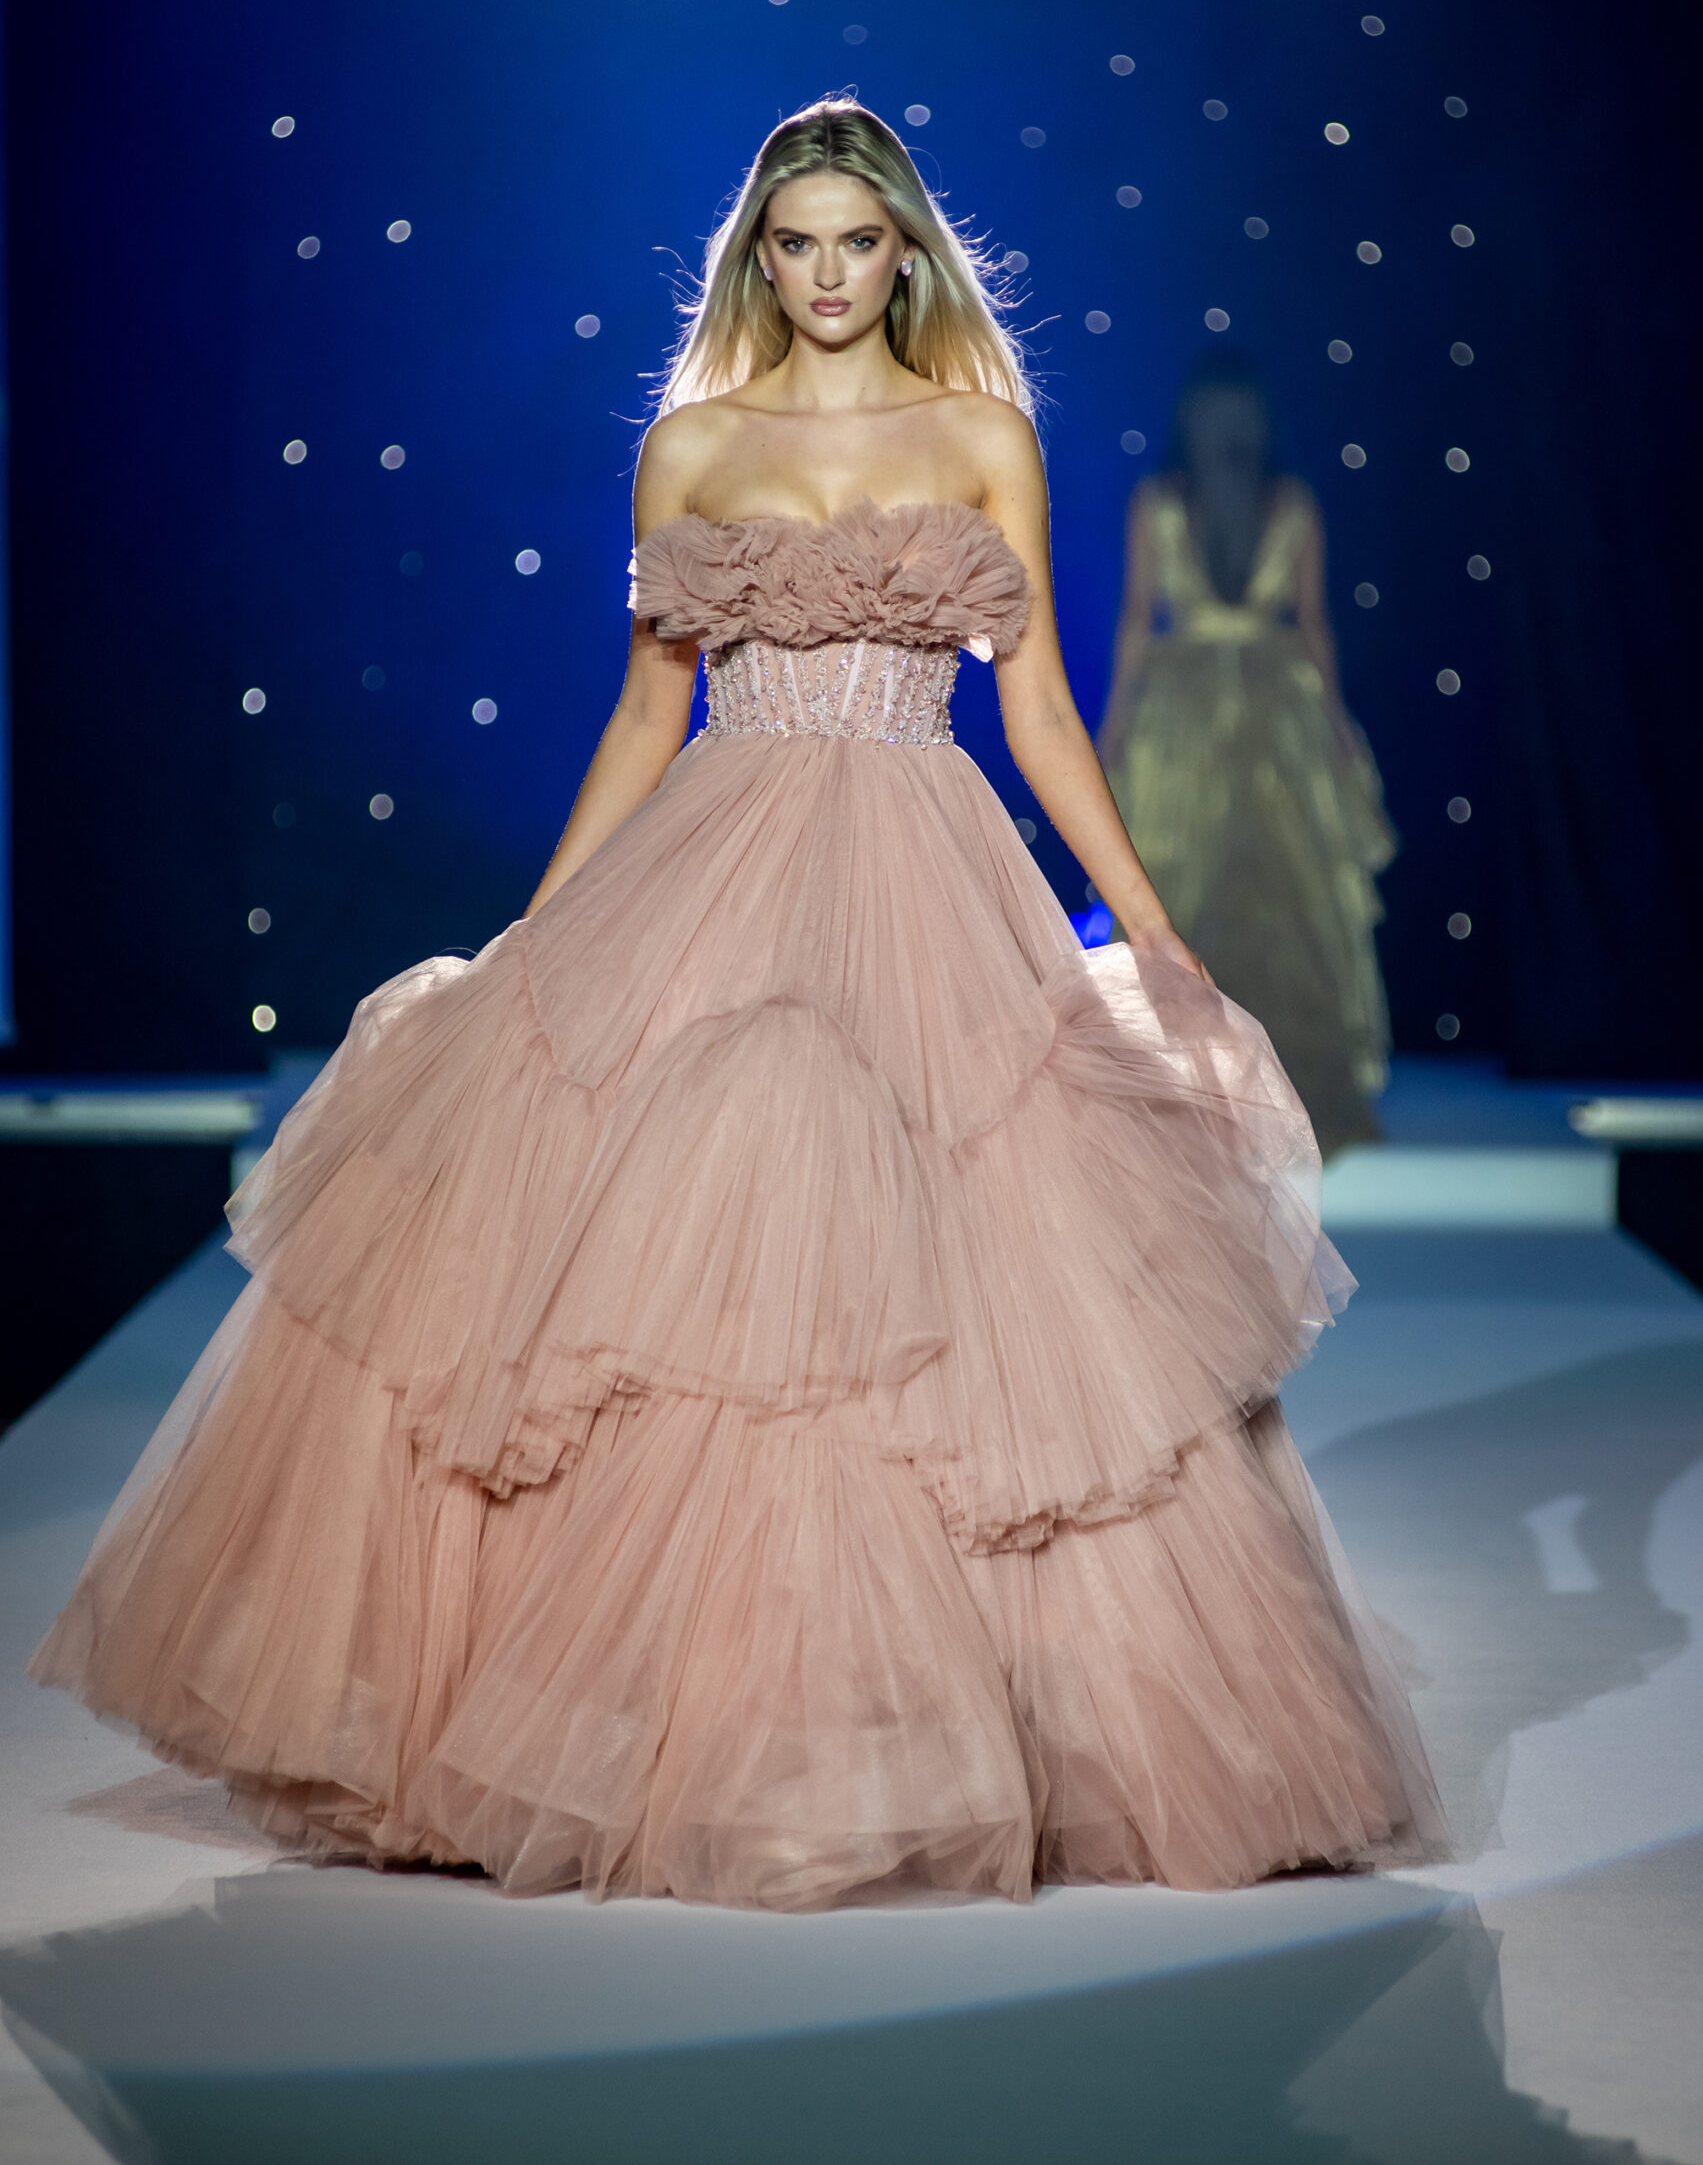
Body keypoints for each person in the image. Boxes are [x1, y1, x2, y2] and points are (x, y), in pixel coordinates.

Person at [34, 102, 1442, 1910]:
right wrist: (536, 940)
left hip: (923, 865)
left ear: (904, 251)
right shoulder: (689, 445)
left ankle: (961, 1731)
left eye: (858, 241)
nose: (828, 274)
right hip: (718, 861)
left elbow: (1037, 712)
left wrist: (1152, 928)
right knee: (688, 1243)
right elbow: (646, 711)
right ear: (756, 257)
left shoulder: (983, 434)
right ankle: (635, 1727)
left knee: (962, 1261)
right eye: (797, 244)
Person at [1097, 349, 1396, 1159]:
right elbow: (1312, 624)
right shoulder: (1280, 501)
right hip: (1265, 704)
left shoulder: (1166, 500)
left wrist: (1115, 722)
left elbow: (1138, 619)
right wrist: (1331, 718)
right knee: (1261, 881)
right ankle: (1233, 1079)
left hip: (1197, 709)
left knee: (1212, 877)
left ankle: (1200, 1083)